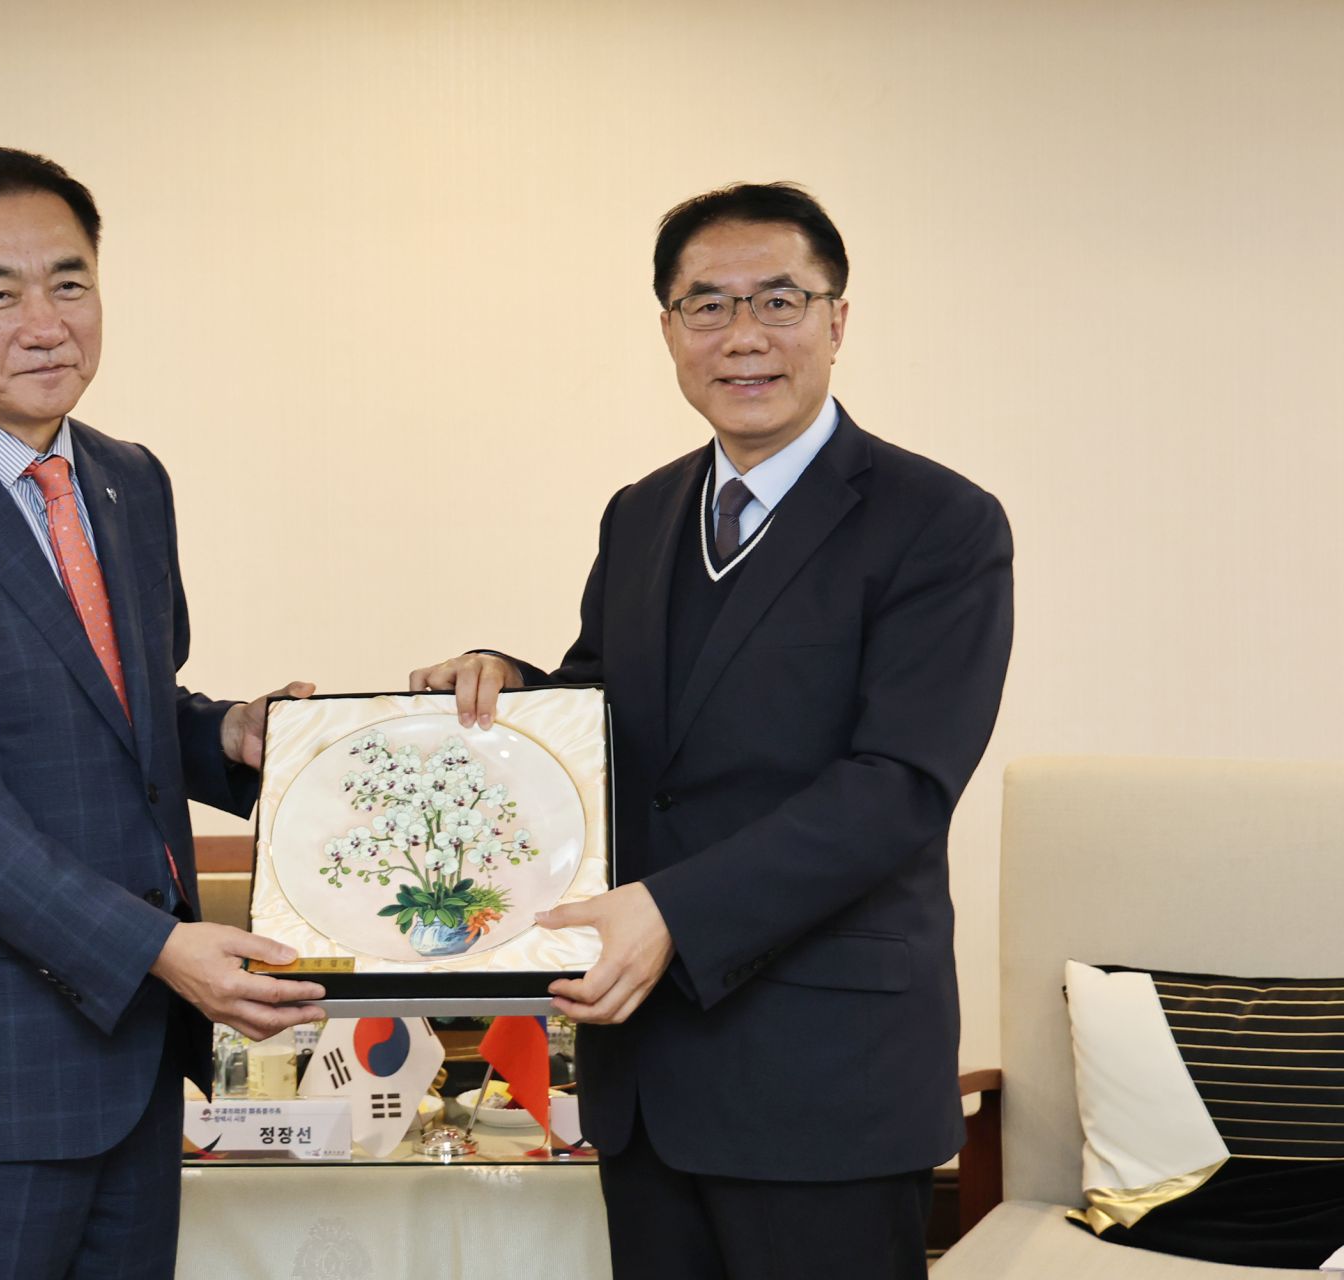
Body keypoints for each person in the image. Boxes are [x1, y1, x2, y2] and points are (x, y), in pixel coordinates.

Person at [410, 183, 1013, 1278]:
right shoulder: (641, 512)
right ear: (669, 330)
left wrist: (673, 914)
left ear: (838, 319)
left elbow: (898, 786)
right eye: (708, 305)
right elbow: (615, 721)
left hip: (829, 1073)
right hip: (650, 1071)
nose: (743, 335)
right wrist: (512, 688)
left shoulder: (941, 522)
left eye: (779, 300)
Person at [0, 146, 325, 1279]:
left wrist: (228, 736)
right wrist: (162, 949)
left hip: (134, 1055)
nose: (46, 323)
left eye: (69, 282)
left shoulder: (131, 482)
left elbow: (123, 708)